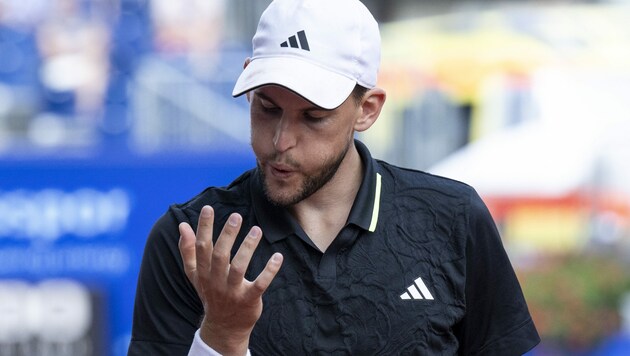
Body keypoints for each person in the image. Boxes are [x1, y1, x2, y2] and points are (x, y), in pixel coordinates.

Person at [128, 0, 541, 355]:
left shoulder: (453, 218)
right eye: (267, 108)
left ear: (368, 109)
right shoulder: (187, 240)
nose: (281, 141)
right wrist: (223, 334)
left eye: (314, 116)